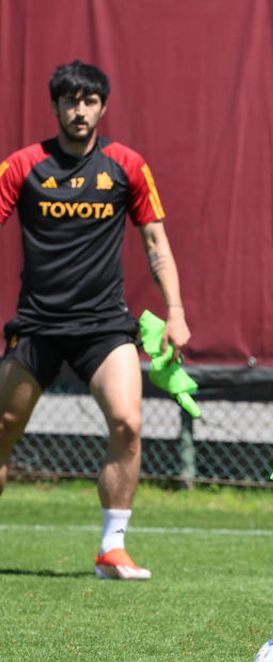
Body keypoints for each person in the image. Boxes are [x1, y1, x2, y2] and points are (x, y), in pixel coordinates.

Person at [0, 61, 190, 580]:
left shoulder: (126, 165)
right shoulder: (22, 165)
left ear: (102, 107)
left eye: (88, 101)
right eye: (69, 100)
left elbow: (156, 243)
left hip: (105, 325)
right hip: (37, 324)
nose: (78, 110)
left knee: (128, 423)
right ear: (56, 106)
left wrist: (175, 312)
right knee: (4, 427)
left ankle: (112, 548)